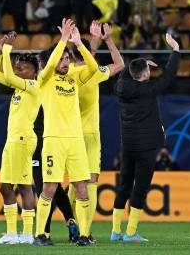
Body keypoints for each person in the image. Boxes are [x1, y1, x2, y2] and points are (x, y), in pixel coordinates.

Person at [33, 19, 98, 246]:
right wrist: (62, 42)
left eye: (66, 58)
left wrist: (79, 43)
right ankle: (41, 234)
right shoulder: (44, 79)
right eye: (61, 58)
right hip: (53, 140)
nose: (64, 61)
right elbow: (50, 66)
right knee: (49, 187)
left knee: (82, 187)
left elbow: (92, 68)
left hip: (76, 141)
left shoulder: (74, 77)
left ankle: (83, 235)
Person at [111, 33, 180, 242]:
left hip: (128, 146)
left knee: (124, 186)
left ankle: (115, 232)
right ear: (146, 75)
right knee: (139, 189)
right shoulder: (149, 89)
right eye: (148, 69)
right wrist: (175, 50)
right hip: (146, 147)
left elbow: (125, 73)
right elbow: (168, 75)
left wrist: (139, 64)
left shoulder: (121, 88)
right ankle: (131, 233)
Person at [67, 22, 124, 243]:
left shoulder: (66, 73)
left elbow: (85, 57)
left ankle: (68, 226)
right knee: (89, 183)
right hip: (90, 135)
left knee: (73, 184)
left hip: (69, 134)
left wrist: (91, 41)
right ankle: (85, 232)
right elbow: (119, 63)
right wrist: (106, 39)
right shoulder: (94, 74)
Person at [0, 33, 41, 245]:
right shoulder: (19, 86)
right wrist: (0, 53)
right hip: (13, 140)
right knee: (5, 187)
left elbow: (8, 77)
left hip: (23, 139)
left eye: (23, 68)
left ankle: (27, 234)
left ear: (35, 72)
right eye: (17, 67)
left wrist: (9, 49)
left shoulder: (35, 86)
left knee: (25, 187)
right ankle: (11, 233)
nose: (19, 70)